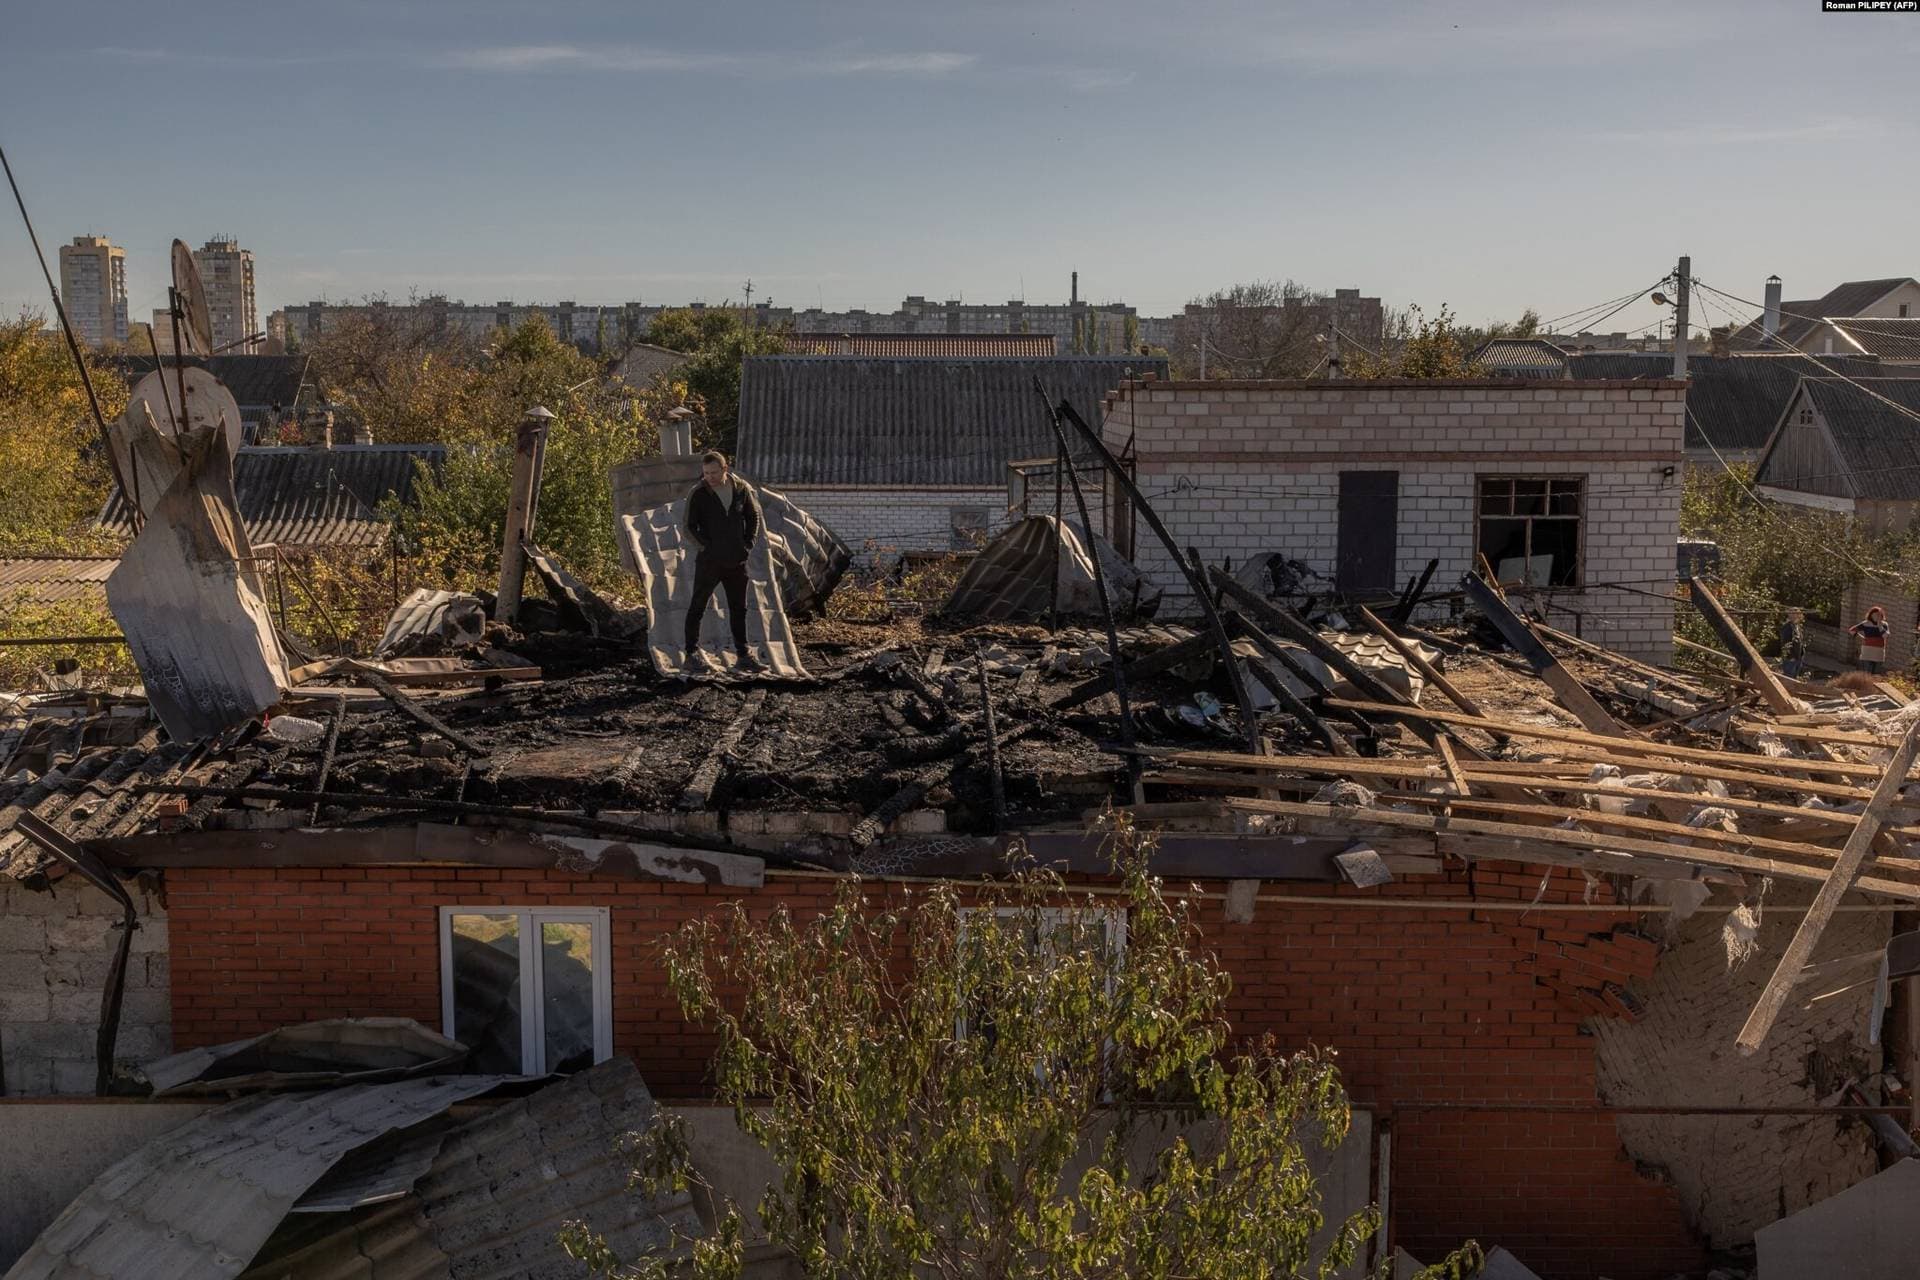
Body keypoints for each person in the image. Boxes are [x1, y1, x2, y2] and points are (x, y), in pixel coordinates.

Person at [682, 450, 765, 674]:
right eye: (706, 472)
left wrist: (748, 544)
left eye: (714, 472)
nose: (709, 476)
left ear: (725, 469)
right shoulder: (699, 493)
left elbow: (753, 516)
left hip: (737, 561)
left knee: (739, 608)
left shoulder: (740, 489)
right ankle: (690, 655)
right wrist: (706, 547)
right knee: (697, 606)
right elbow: (688, 526)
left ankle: (743, 656)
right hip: (710, 562)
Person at [1849, 605, 1890, 675]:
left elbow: (1886, 635)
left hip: (1879, 653)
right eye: (1874, 615)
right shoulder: (1866, 623)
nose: (1876, 617)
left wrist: (1879, 626)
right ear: (1870, 615)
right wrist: (1862, 638)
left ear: (1881, 616)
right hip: (1867, 652)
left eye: (1878, 615)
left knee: (1876, 674)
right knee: (1866, 673)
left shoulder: (1884, 624)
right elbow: (1852, 630)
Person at [1778, 608, 1808, 679]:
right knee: (1788, 678)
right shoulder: (1787, 627)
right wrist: (1790, 656)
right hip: (1791, 658)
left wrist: (1802, 653)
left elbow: (1799, 641)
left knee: (1794, 678)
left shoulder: (1797, 626)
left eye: (1797, 614)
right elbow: (1786, 643)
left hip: (1798, 657)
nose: (1796, 616)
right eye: (1793, 614)